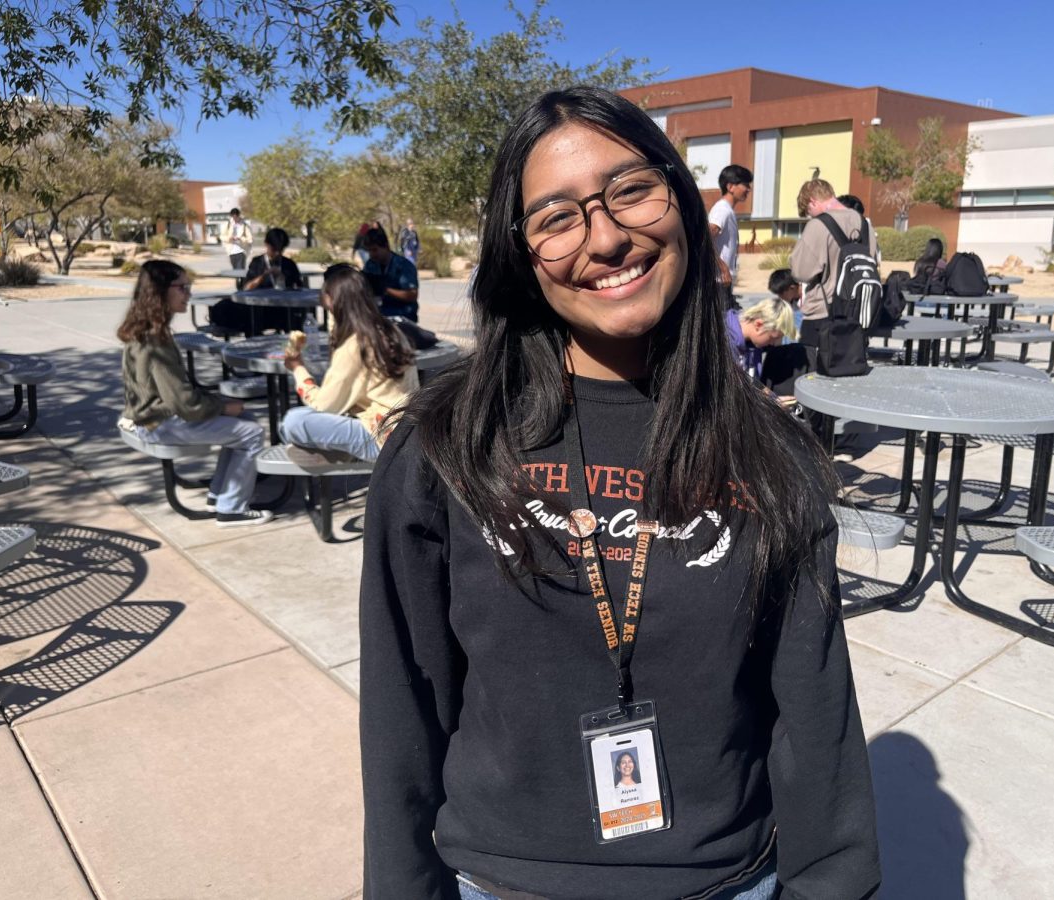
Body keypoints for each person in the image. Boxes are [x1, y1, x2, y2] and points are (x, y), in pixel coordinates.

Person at [359, 85, 879, 900]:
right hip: (501, 882)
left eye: (632, 190)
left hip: (723, 881)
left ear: (679, 199)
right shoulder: (443, 448)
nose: (605, 238)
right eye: (556, 217)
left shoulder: (773, 454)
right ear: (520, 255)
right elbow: (402, 708)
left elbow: (815, 716)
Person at [116, 260, 271, 527]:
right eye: (182, 287)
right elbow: (184, 403)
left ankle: (219, 494)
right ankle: (231, 509)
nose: (188, 293)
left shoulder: (145, 330)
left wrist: (222, 405)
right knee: (252, 433)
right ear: (161, 291)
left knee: (245, 421)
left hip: (151, 419)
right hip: (159, 424)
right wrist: (222, 407)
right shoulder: (156, 340)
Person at [279, 264, 418, 464]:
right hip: (407, 431)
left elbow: (324, 406)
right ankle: (336, 449)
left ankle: (336, 451)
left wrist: (297, 368)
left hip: (380, 438)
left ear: (334, 303)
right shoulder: (393, 331)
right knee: (309, 419)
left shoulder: (355, 345)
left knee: (292, 421)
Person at [789, 178, 878, 374]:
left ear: (812, 201)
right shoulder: (864, 224)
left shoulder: (818, 225)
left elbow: (801, 272)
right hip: (857, 314)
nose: (809, 217)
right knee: (849, 376)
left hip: (823, 315)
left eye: (808, 212)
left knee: (814, 380)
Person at [208, 227, 303, 336]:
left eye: (280, 250)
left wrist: (283, 278)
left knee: (295, 317)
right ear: (266, 245)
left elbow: (299, 288)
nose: (277, 254)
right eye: (274, 249)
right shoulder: (257, 263)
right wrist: (264, 275)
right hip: (258, 308)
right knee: (233, 310)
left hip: (281, 309)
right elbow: (246, 288)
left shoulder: (289, 264)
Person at [708, 164, 753, 309]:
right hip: (717, 282)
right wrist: (722, 268)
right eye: (745, 184)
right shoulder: (722, 210)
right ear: (730, 187)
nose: (748, 189)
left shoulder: (727, 210)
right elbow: (706, 238)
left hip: (722, 282)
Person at [725, 296, 793, 379]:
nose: (774, 344)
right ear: (758, 325)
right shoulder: (724, 342)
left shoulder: (752, 342)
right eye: (772, 338)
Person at [361, 226, 420, 320]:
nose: (372, 254)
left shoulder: (403, 265)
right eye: (369, 251)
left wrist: (386, 290)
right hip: (379, 317)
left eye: (375, 250)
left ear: (386, 246)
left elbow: (412, 295)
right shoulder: (370, 265)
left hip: (403, 317)